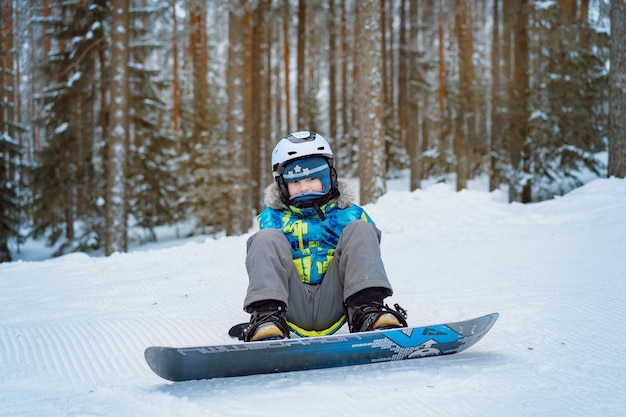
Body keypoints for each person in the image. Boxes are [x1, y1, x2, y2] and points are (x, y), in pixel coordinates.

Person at [241, 130, 407, 342]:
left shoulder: (350, 213)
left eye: (312, 178)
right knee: (265, 239)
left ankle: (369, 311)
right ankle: (267, 319)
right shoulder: (273, 219)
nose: (304, 187)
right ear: (283, 185)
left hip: (339, 300)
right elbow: (265, 265)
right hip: (291, 303)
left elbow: (368, 259)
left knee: (361, 230)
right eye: (295, 182)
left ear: (328, 177)